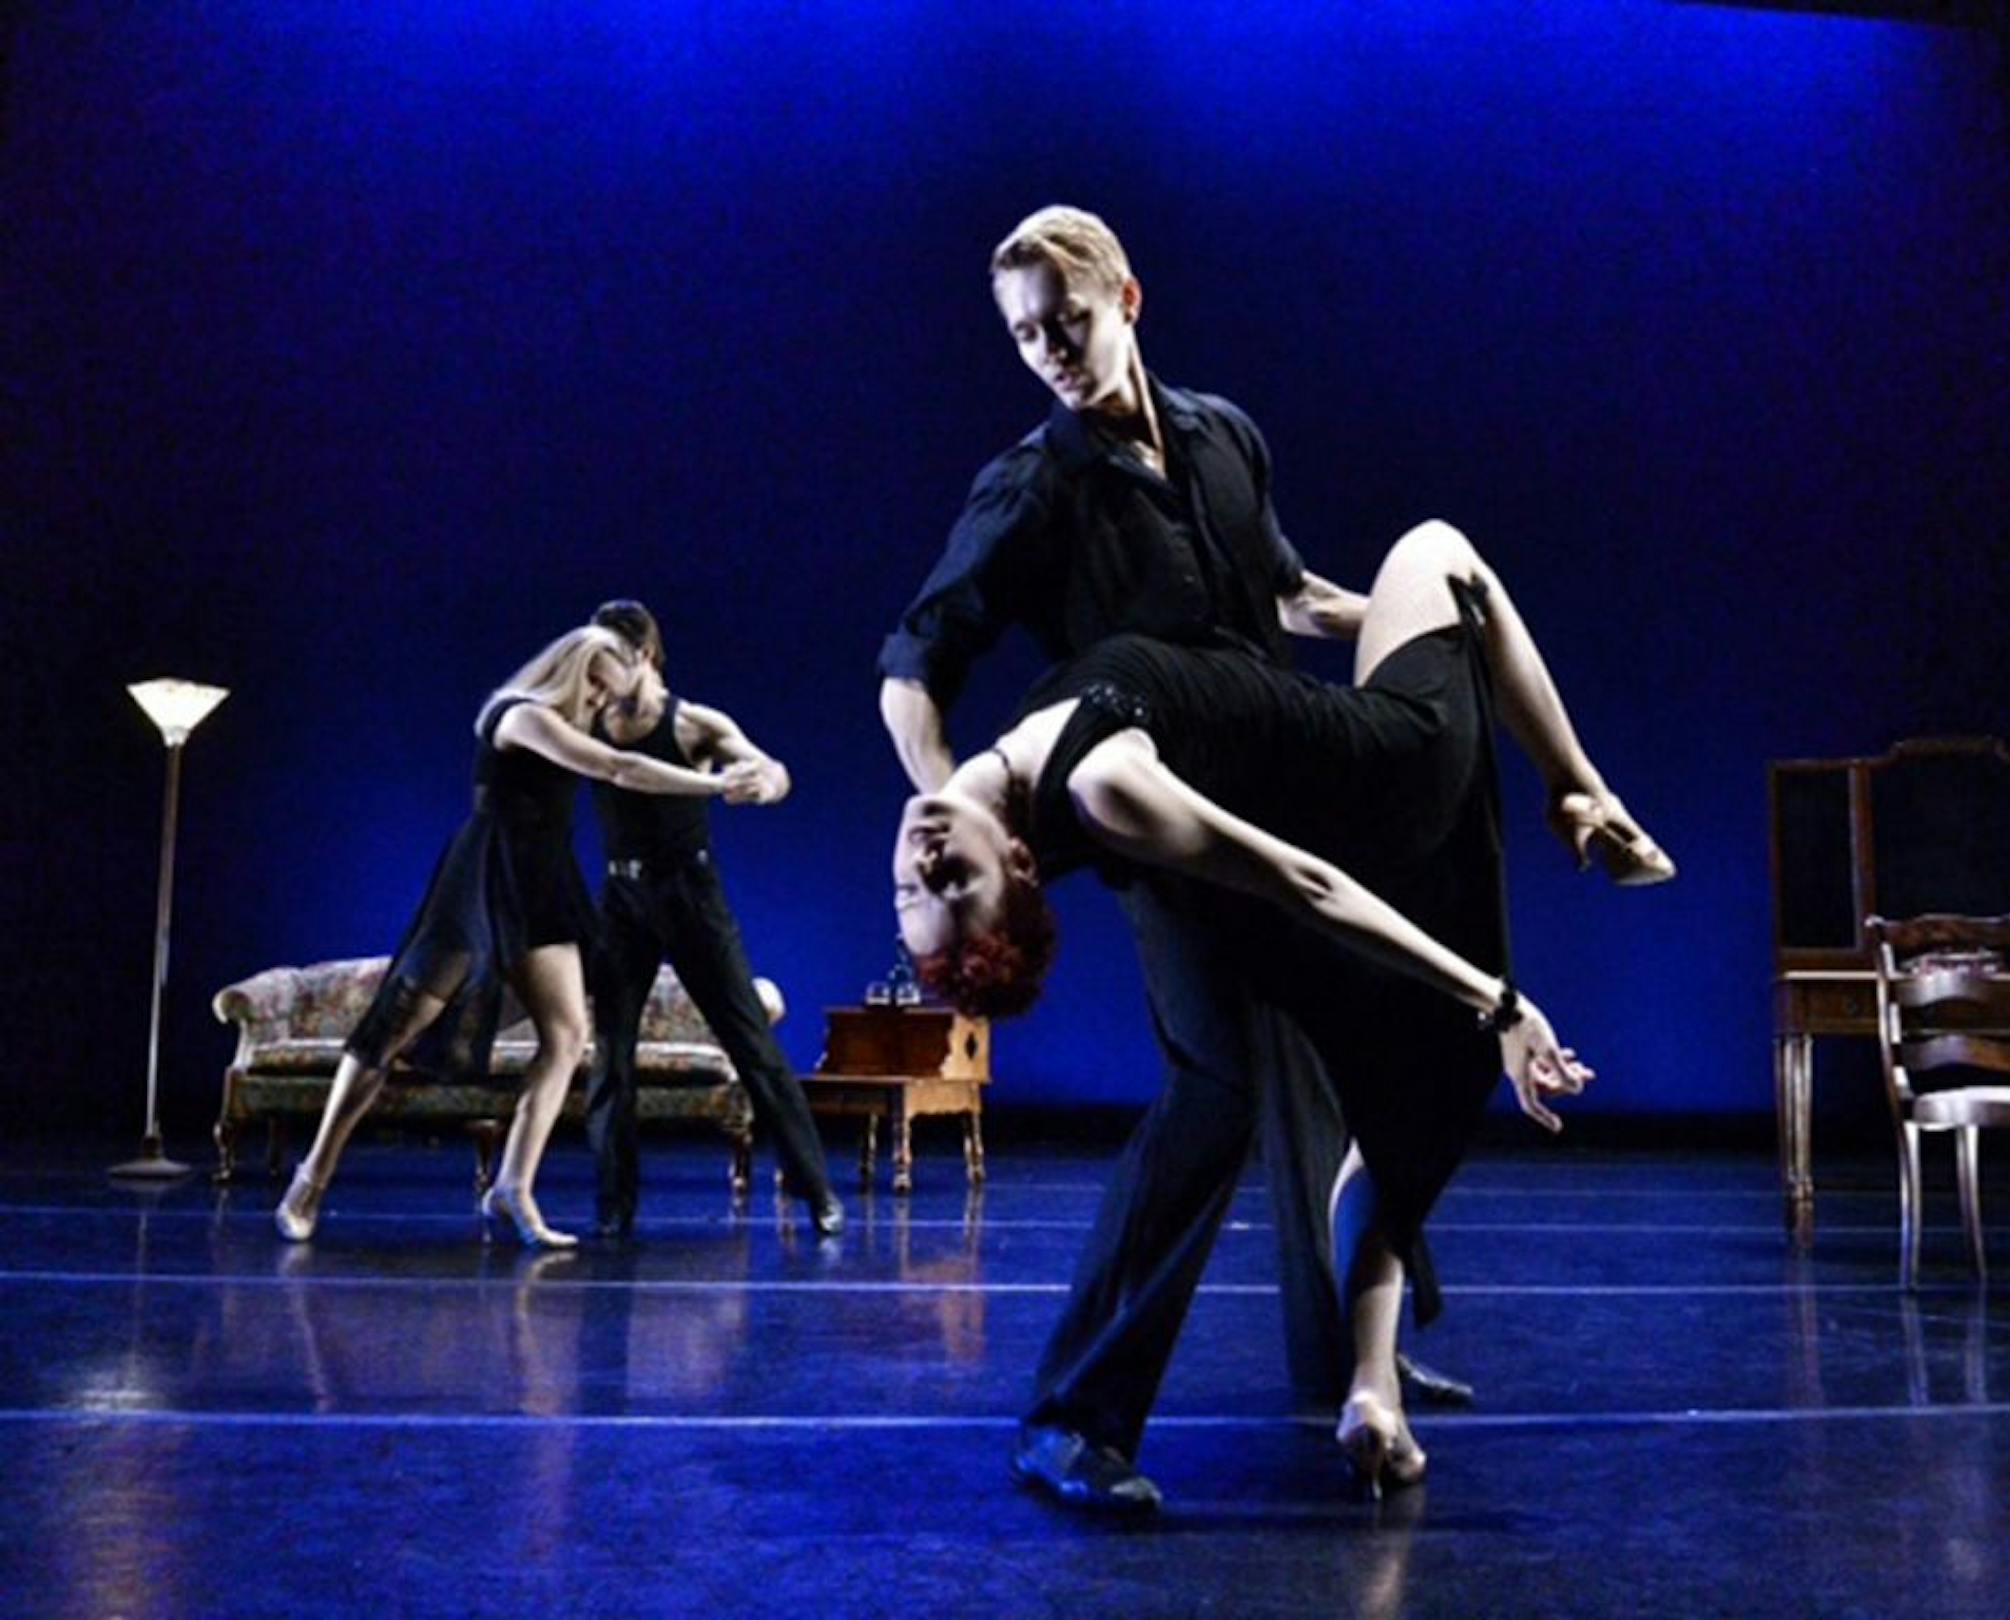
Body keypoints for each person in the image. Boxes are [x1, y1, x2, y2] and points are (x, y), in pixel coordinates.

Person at [878, 205, 1464, 1514]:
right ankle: (1070, 1418)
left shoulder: (1222, 435)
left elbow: (1291, 598)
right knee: (1215, 1092)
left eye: (1065, 324)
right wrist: (959, 824)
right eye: (1024, 336)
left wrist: (1441, 631)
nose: (1047, 353)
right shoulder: (1030, 488)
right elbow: (915, 664)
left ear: (1125, 299)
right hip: (1145, 809)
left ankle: (1346, 1356)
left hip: (1268, 783)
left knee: (1331, 1051)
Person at [893, 517, 1673, 1502]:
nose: (923, 861)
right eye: (951, 882)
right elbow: (1306, 884)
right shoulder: (1103, 788)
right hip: (1390, 768)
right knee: (1435, 550)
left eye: (914, 894)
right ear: (1016, 867)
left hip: (1342, 785)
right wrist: (1496, 999)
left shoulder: (957, 784)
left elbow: (918, 694)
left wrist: (1338, 613)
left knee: (1366, 1098)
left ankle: (1366, 1378)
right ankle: (1581, 790)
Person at [273, 625, 759, 1248]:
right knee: (395, 1028)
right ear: (573, 671)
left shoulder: (571, 723)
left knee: (567, 1034)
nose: (602, 704)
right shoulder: (518, 716)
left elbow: (642, 747)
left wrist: (741, 763)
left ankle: (512, 1188)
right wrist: (715, 786)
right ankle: (311, 1179)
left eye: (609, 694)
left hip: (542, 880)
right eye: (597, 687)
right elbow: (616, 766)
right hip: (483, 876)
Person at [583, 600, 841, 1240]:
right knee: (610, 1057)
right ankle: (615, 1210)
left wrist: (767, 783)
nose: (599, 675)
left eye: (610, 660)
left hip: (688, 896)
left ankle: (819, 1195)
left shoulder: (693, 723)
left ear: (643, 655)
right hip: (621, 898)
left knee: (751, 1043)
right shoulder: (586, 722)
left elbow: (770, 770)